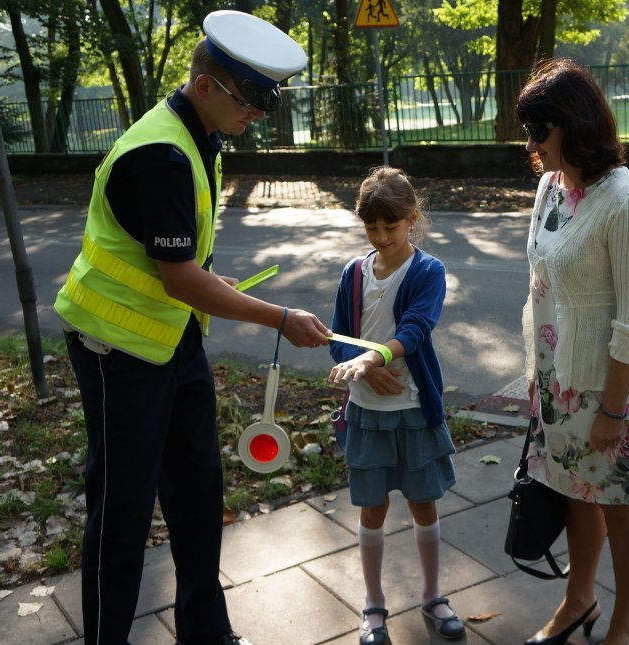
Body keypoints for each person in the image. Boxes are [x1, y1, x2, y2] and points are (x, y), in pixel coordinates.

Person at [53, 10, 330, 644]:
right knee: (122, 514)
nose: (257, 114)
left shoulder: (200, 133)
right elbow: (178, 278)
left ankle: (207, 634)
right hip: (116, 349)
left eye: (265, 102)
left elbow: (169, 260)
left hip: (172, 339)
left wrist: (210, 282)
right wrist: (280, 318)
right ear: (205, 84)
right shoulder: (161, 154)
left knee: (199, 493)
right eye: (249, 100)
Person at [517, 58, 629, 645]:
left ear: (572, 125)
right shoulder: (551, 186)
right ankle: (579, 599)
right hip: (559, 382)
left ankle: (626, 617)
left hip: (607, 389)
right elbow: (539, 283)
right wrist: (535, 371)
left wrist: (612, 410)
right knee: (573, 492)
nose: (530, 145)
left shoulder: (627, 203)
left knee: (620, 507)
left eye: (538, 131)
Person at [328, 166, 463, 645]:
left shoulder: (428, 271)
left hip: (413, 410)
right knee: (372, 509)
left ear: (412, 219)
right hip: (367, 413)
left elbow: (416, 327)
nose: (382, 237)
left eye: (391, 226)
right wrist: (360, 364)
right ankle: (373, 606)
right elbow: (338, 338)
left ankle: (433, 595)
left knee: (423, 504)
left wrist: (373, 357)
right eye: (372, 228)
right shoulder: (354, 273)